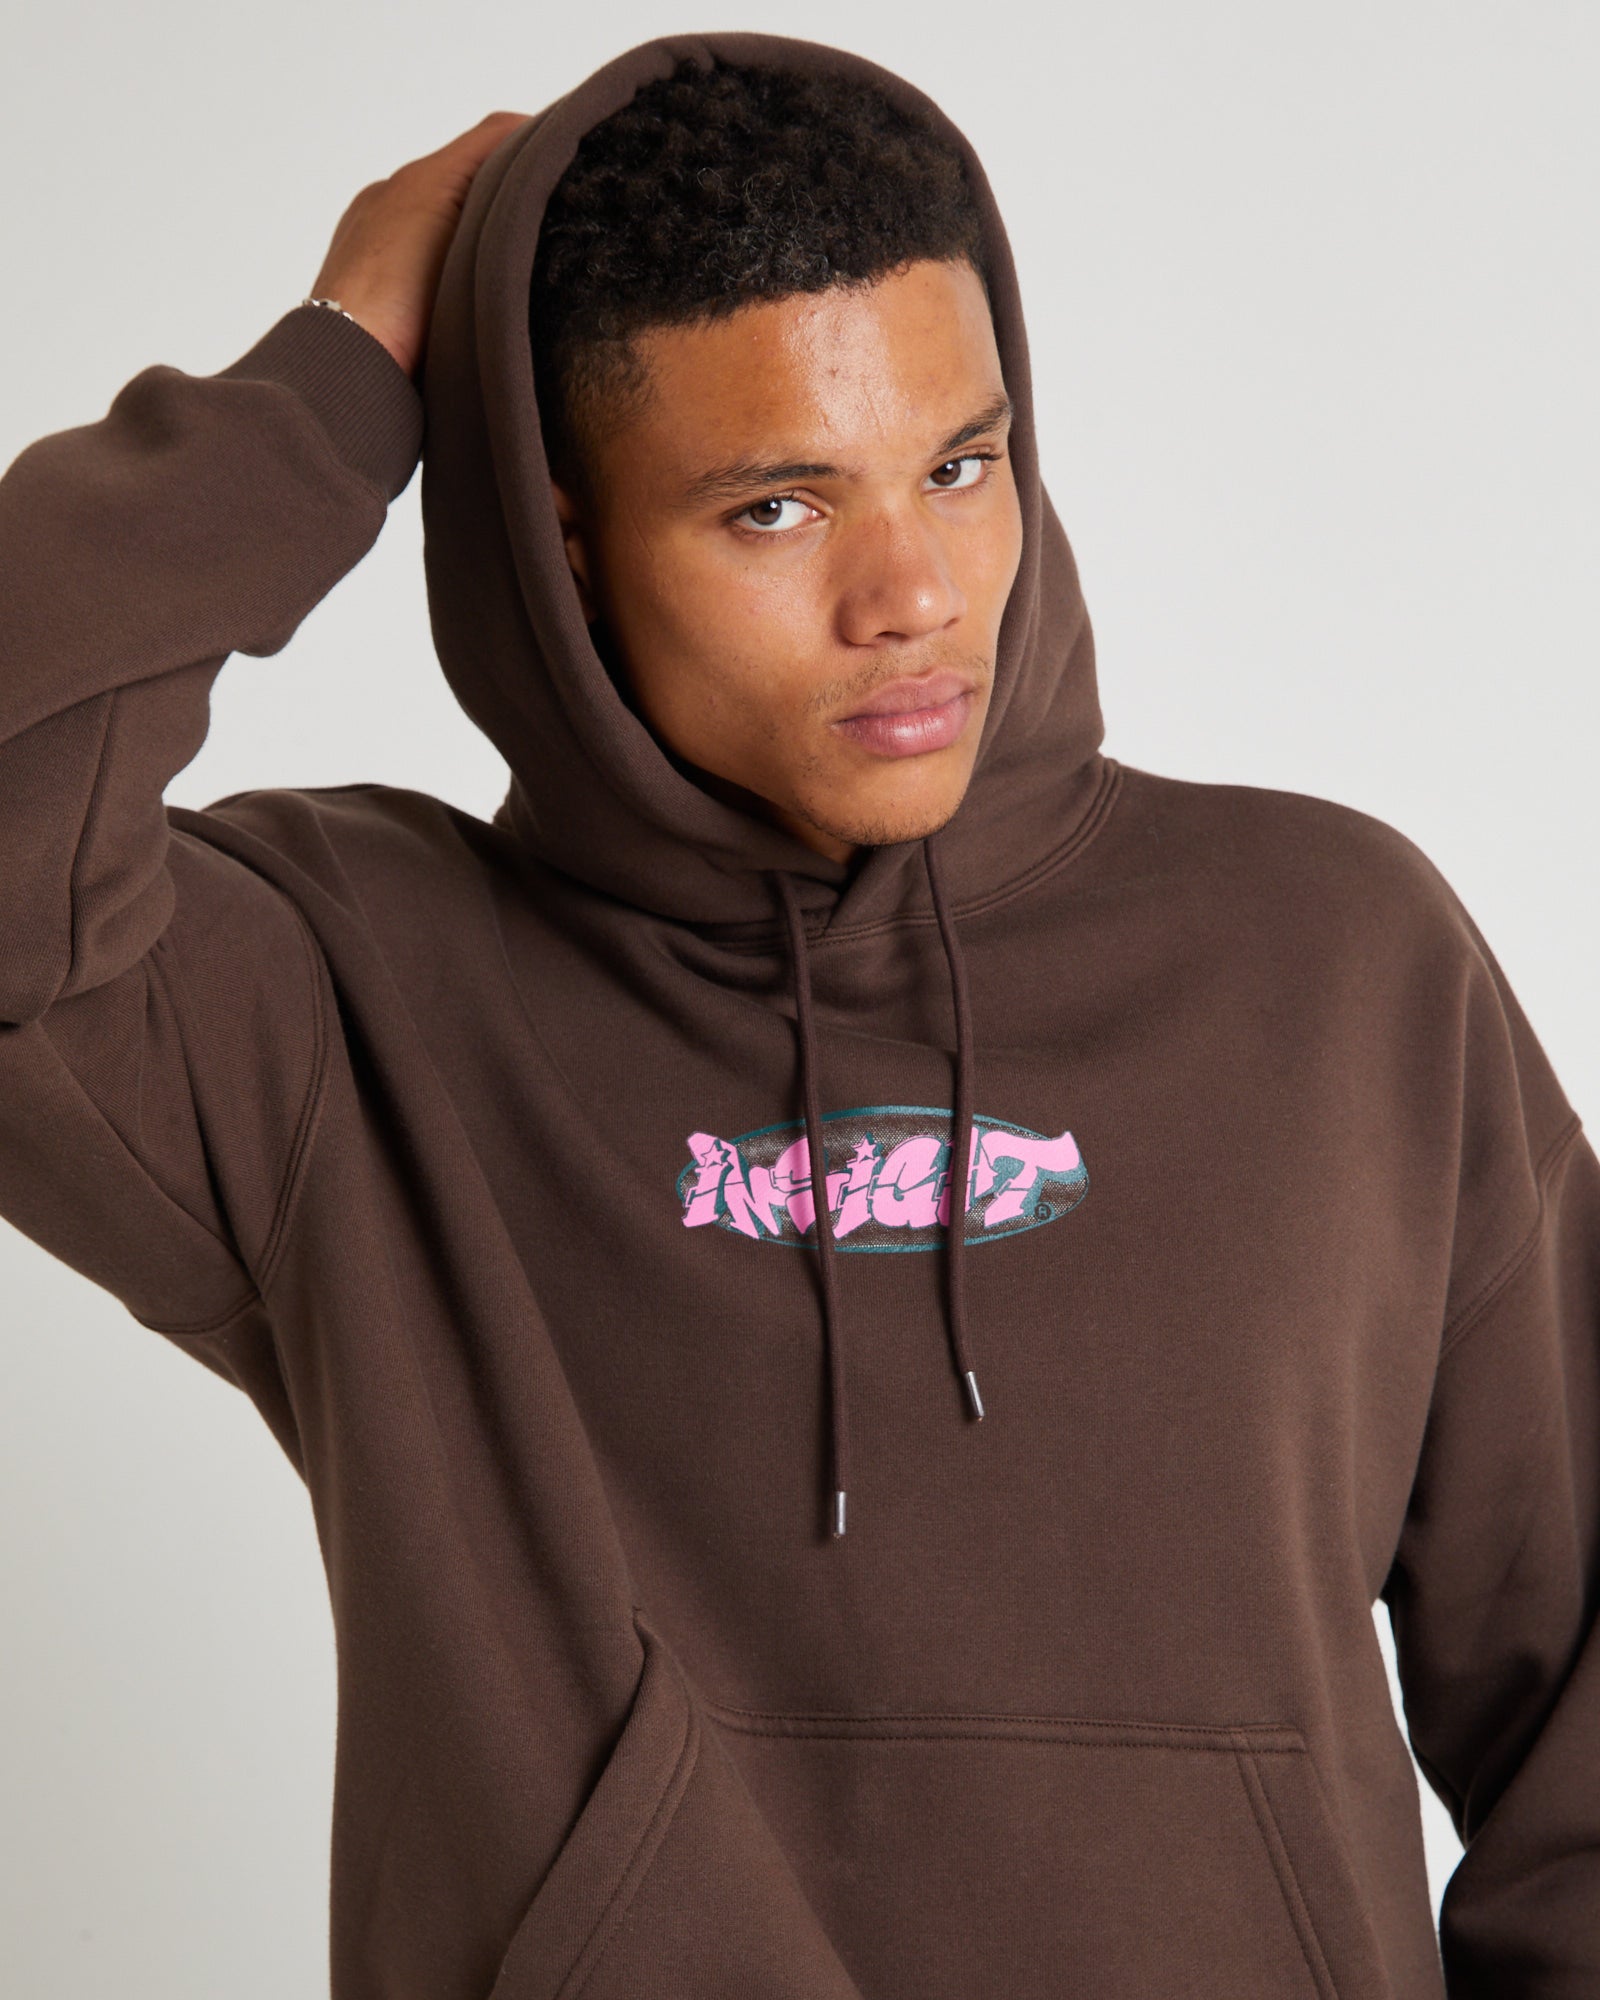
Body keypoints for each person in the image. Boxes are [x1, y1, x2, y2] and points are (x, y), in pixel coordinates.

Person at [1, 29, 1594, 2000]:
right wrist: (331, 381)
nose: (910, 591)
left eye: (960, 465)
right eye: (776, 507)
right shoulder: (350, 1008)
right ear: (563, 538)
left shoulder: (1337, 960)